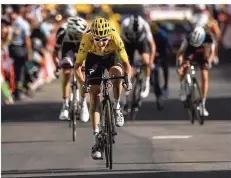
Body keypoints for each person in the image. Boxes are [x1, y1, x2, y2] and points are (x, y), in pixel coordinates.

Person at [75, 17, 132, 159]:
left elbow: (126, 65)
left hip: (111, 57)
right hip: (93, 58)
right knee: (94, 93)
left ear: (109, 37)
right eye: (97, 40)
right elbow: (77, 67)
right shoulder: (86, 39)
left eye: (104, 40)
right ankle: (96, 140)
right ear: (92, 36)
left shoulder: (115, 37)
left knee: (117, 75)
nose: (101, 43)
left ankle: (117, 107)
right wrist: (83, 84)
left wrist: (127, 80)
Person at [52, 16, 89, 122]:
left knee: (83, 73)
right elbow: (55, 52)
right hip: (67, 48)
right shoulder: (62, 32)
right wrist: (57, 66)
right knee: (67, 71)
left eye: (81, 33)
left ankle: (83, 104)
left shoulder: (87, 33)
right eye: (77, 34)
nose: (80, 35)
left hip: (82, 47)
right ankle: (65, 105)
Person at [176, 26, 216, 116]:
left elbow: (213, 52)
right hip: (190, 52)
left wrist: (209, 61)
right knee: (184, 66)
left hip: (203, 53)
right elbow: (180, 53)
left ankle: (203, 104)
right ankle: (182, 87)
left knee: (205, 75)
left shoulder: (209, 38)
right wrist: (180, 65)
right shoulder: (188, 38)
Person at [120, 14, 156, 98]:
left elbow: (152, 45)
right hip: (128, 42)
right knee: (128, 66)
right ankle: (127, 85)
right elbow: (120, 43)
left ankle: (146, 82)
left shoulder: (145, 25)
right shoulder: (124, 24)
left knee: (146, 61)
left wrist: (151, 61)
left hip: (141, 41)